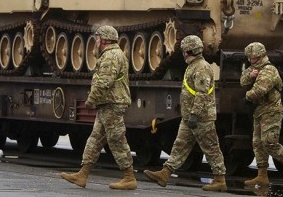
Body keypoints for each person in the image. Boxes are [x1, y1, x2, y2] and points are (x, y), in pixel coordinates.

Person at [143, 35, 227, 192]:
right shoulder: (193, 66)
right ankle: (165, 173)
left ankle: (220, 179)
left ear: (191, 51)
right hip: (190, 117)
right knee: (180, 145)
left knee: (211, 148)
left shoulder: (201, 67)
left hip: (201, 117)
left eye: (185, 51)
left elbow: (202, 94)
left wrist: (195, 114)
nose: (183, 54)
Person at [60, 25, 137, 190]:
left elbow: (104, 82)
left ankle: (129, 177)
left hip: (112, 103)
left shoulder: (110, 56)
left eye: (97, 38)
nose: (95, 42)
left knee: (116, 139)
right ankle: (83, 174)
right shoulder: (113, 54)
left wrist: (91, 100)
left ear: (104, 40)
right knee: (95, 139)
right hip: (108, 103)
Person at [241, 42, 283, 188]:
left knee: (269, 142)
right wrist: (250, 74)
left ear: (260, 56)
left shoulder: (268, 70)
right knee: (258, 143)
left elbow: (259, 91)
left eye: (252, 58)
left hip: (271, 110)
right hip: (259, 111)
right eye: (249, 58)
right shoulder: (255, 68)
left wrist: (247, 96)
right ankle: (262, 175)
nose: (250, 60)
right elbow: (242, 80)